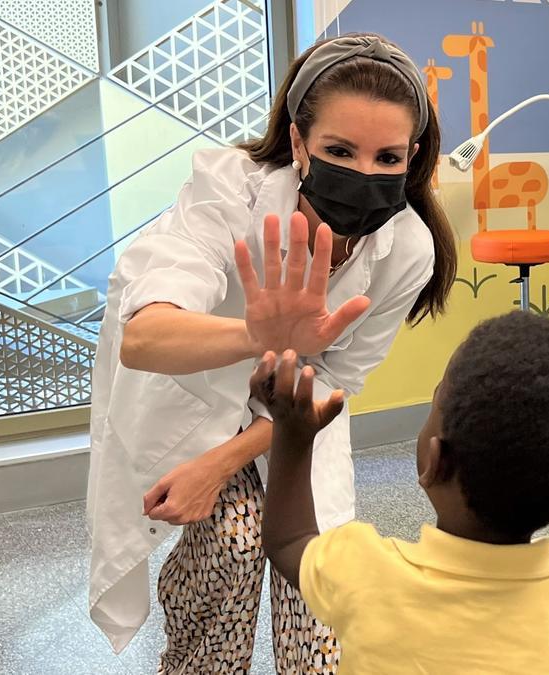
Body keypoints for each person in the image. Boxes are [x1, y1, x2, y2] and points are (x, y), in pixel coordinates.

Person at [85, 33, 456, 674]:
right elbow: (143, 338)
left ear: (412, 157)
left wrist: (229, 458)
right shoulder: (228, 193)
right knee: (231, 548)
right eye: (339, 150)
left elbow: (336, 376)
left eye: (387, 157)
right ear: (297, 143)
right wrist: (259, 337)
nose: (363, 174)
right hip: (192, 400)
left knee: (318, 582)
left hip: (294, 417)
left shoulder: (409, 248)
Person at [248, 312, 549, 673]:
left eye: (435, 402)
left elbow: (289, 540)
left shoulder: (366, 573)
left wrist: (292, 437)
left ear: (436, 461)